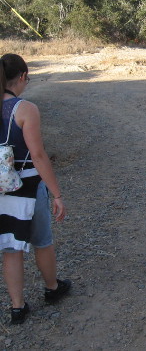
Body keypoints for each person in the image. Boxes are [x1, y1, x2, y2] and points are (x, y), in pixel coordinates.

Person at [0, 54, 71, 325]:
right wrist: (57, 194)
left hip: (1, 191)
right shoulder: (25, 109)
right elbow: (38, 155)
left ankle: (17, 307)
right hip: (27, 187)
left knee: (10, 248)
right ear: (22, 77)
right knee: (42, 241)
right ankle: (52, 288)